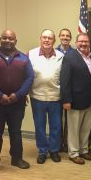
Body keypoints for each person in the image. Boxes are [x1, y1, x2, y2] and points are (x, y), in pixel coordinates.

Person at [0, 29, 34, 174]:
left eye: (11, 38)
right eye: (4, 38)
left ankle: (16, 159)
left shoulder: (23, 58)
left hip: (17, 103)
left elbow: (30, 78)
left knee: (16, 132)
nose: (7, 40)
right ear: (0, 39)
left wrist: (18, 95)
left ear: (15, 41)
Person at [60, 33, 91, 165]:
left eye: (86, 41)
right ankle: (73, 153)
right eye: (81, 41)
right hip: (74, 100)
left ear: (89, 43)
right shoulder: (69, 57)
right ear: (76, 43)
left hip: (89, 100)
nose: (83, 44)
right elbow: (64, 80)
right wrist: (66, 100)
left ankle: (84, 150)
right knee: (73, 129)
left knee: (85, 128)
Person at [28, 29, 64, 164]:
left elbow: (64, 78)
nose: (46, 40)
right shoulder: (31, 54)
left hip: (56, 97)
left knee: (56, 126)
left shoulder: (61, 56)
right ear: (40, 39)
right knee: (40, 126)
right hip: (37, 97)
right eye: (44, 37)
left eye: (50, 38)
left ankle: (54, 150)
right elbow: (25, 75)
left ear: (54, 41)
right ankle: (42, 151)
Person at [56, 28, 74, 152]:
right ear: (59, 37)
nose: (65, 38)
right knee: (57, 120)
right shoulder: (53, 51)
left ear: (71, 38)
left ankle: (68, 144)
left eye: (67, 36)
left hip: (70, 90)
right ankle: (58, 144)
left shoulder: (75, 52)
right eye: (63, 35)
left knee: (69, 121)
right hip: (56, 89)